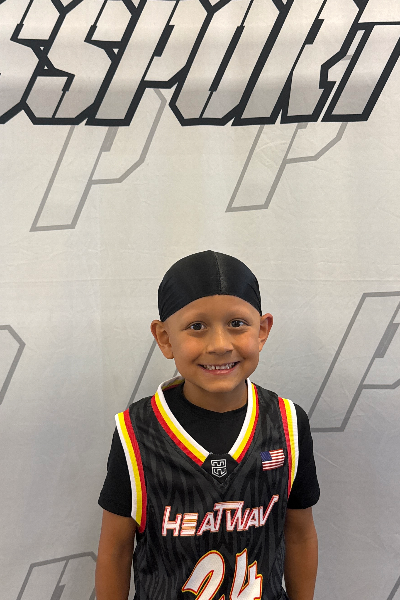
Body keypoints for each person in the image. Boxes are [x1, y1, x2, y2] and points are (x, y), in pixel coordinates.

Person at [96, 250, 319, 600]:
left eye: (237, 324)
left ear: (262, 330)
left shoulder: (288, 423)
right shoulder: (136, 431)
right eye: (197, 327)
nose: (219, 345)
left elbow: (300, 534)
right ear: (165, 338)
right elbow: (115, 550)